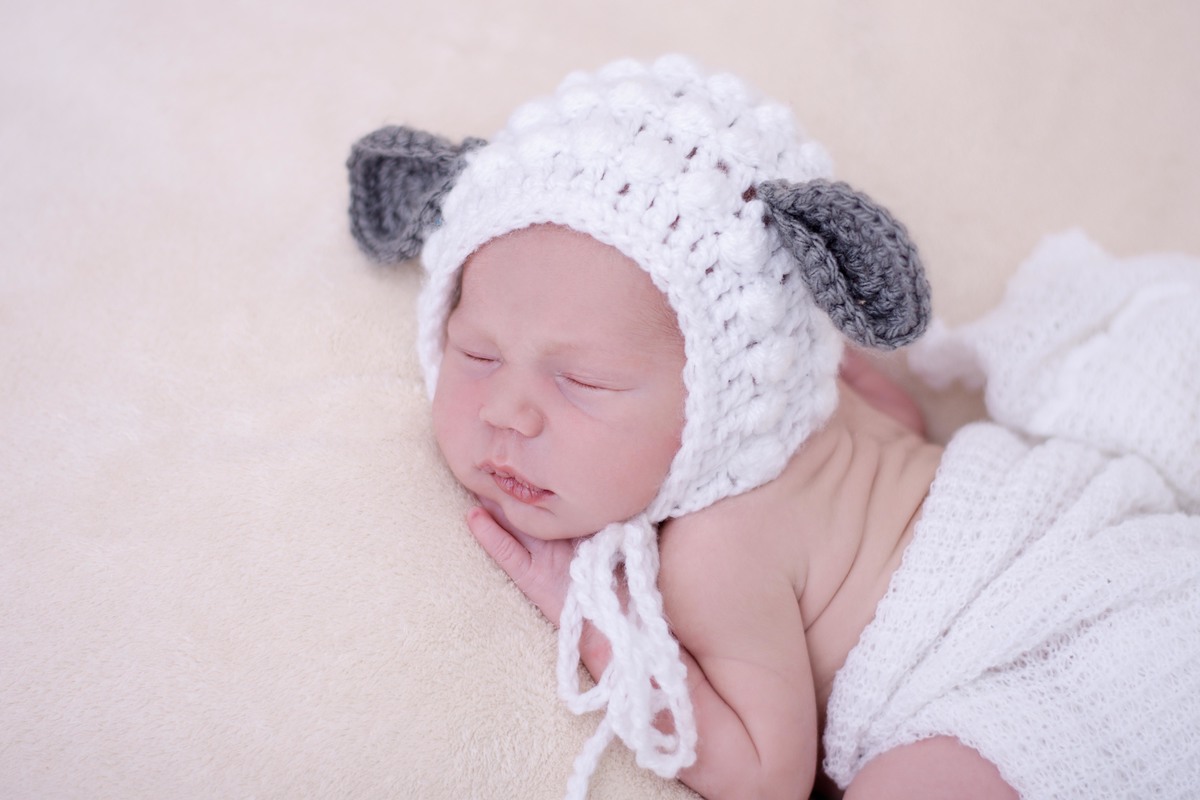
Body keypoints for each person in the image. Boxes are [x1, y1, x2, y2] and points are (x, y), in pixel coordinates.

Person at [346, 56, 1200, 800]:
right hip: (1141, 560)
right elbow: (901, 424)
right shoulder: (817, 395)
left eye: (585, 381)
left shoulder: (716, 551)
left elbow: (766, 776)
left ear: (719, 388)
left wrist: (597, 621)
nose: (507, 411)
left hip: (1060, 659)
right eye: (476, 353)